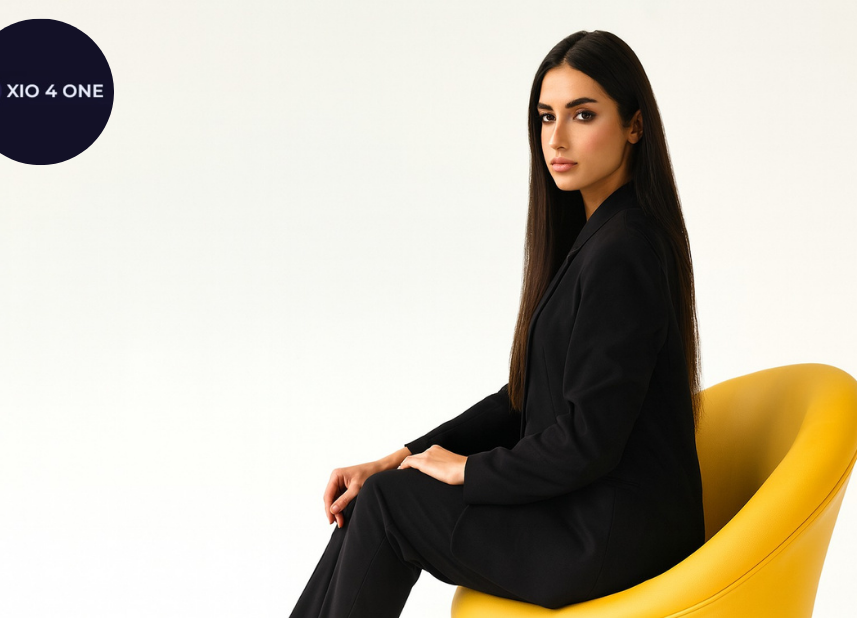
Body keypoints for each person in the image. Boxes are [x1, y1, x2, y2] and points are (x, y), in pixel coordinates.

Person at [289, 29, 705, 617]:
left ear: (635, 125)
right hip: (590, 515)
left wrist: (468, 470)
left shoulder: (625, 249)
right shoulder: (599, 239)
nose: (556, 139)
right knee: (376, 494)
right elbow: (527, 398)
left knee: (387, 506)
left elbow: (588, 440)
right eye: (546, 117)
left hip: (612, 537)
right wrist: (397, 458)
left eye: (583, 115)